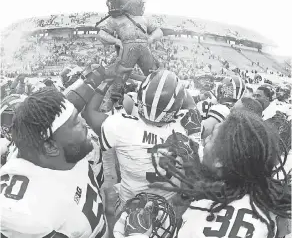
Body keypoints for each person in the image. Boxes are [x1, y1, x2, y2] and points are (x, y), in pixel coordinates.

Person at [114, 110, 291, 238]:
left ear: (220, 161)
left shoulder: (206, 225)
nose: (204, 142)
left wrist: (138, 235)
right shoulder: (266, 194)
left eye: (211, 138)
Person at [80, 69, 202, 217]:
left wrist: (105, 80)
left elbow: (89, 113)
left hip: (130, 205)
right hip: (166, 209)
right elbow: (191, 106)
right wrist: (171, 84)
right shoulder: (185, 130)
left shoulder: (118, 125)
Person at [0, 87, 107, 238]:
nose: (84, 122)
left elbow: (64, 112)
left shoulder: (61, 146)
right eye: (76, 122)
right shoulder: (27, 214)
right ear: (50, 147)